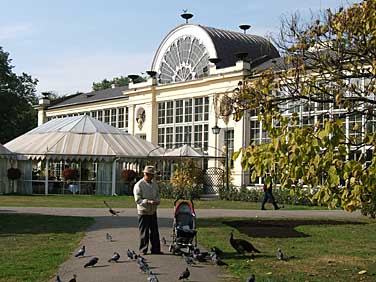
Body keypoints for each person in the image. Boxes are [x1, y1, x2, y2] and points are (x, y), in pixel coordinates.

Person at [133, 165, 163, 255]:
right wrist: (148, 202)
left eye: (152, 175)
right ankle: (143, 249)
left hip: (152, 210)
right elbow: (138, 200)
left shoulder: (154, 184)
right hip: (143, 211)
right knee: (144, 231)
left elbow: (157, 194)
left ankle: (156, 249)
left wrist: (157, 201)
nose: (152, 177)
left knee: (154, 231)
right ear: (145, 174)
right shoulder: (139, 185)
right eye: (150, 175)